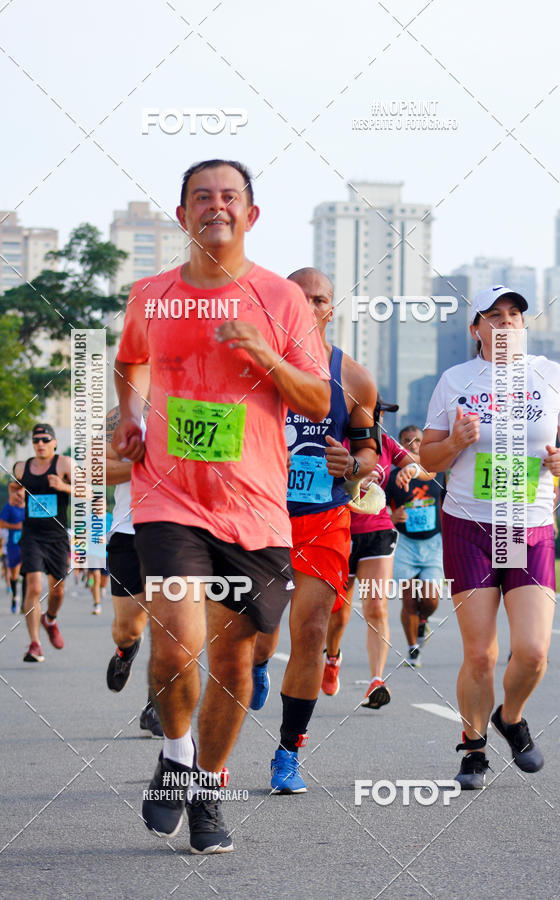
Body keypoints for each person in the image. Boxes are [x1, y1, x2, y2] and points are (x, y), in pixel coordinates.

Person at [113, 160, 330, 854]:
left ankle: (205, 784)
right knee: (174, 642)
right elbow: (129, 362)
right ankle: (175, 756)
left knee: (235, 663)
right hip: (169, 496)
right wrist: (129, 415)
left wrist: (266, 356)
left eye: (229, 196)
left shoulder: (280, 300)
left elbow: (319, 401)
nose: (216, 206)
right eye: (201, 197)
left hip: (256, 509)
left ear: (251, 215)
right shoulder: (152, 294)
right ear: (182, 216)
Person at [420, 285, 560, 790]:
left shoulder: (549, 374)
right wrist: (455, 442)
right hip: (469, 524)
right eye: (494, 316)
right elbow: (428, 458)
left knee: (533, 651)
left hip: (529, 525)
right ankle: (472, 748)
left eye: (515, 314)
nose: (507, 322)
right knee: (481, 653)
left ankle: (509, 718)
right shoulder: (455, 380)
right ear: (476, 329)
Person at [249, 266, 378, 793]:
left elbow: (370, 451)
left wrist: (352, 463)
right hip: (259, 514)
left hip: (324, 517)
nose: (308, 306)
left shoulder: (354, 378)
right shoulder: (254, 366)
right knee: (259, 633)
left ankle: (287, 752)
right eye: (297, 298)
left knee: (310, 630)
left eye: (319, 299)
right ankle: (259, 662)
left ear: (331, 309)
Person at [321, 418, 417, 707]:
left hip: (378, 530)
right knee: (339, 614)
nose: (378, 419)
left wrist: (412, 468)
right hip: (340, 532)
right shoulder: (334, 439)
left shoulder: (386, 443)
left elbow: (428, 467)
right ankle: (332, 658)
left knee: (376, 607)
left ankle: (376, 680)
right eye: (372, 412)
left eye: (380, 413)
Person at [105, 403, 162, 738]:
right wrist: (148, 466)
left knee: (171, 626)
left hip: (178, 533)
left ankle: (155, 705)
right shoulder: (121, 417)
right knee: (127, 628)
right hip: (129, 531)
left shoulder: (200, 407)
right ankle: (125, 651)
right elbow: (97, 469)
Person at [387, 425, 444, 669]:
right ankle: (413, 649)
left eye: (417, 440)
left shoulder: (438, 473)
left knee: (431, 599)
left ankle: (424, 620)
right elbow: (377, 506)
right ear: (399, 447)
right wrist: (391, 516)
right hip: (405, 544)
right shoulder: (391, 478)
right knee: (409, 600)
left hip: (433, 543)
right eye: (406, 441)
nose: (412, 445)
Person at [14, 424, 72, 663]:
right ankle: (35, 644)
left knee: (57, 591)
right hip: (32, 535)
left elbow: (89, 491)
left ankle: (50, 619)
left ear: (54, 443)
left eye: (45, 439)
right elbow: (14, 486)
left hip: (57, 537)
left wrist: (63, 486)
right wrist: (14, 494)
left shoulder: (64, 464)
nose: (40, 443)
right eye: (36, 439)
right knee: (34, 586)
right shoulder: (21, 467)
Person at [0, 482, 26, 613]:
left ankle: (24, 602)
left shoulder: (30, 506)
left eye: (21, 491)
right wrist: (16, 527)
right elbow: (1, 523)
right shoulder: (9, 507)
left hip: (28, 544)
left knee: (28, 572)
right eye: (17, 491)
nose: (19, 494)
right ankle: (15, 597)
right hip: (13, 544)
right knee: (15, 573)